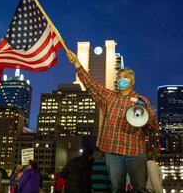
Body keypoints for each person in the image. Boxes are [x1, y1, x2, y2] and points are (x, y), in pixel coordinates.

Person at [66, 49, 159, 193]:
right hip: (113, 151)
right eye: (119, 77)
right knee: (116, 188)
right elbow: (91, 85)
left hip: (135, 151)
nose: (121, 79)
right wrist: (77, 63)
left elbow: (153, 127)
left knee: (140, 188)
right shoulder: (109, 97)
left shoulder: (142, 100)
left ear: (132, 82)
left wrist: (144, 115)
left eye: (125, 77)